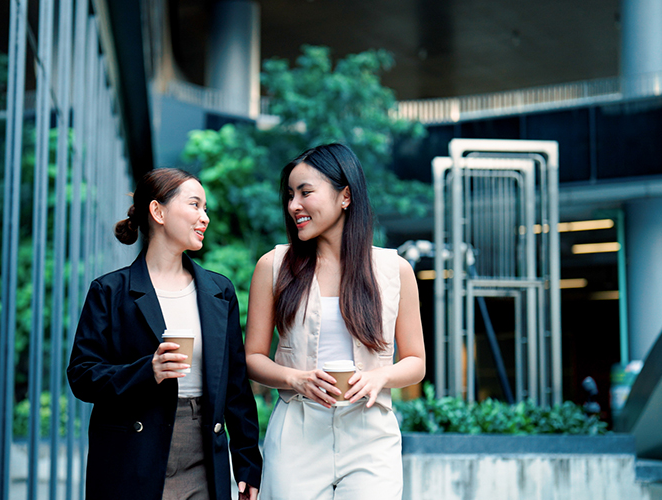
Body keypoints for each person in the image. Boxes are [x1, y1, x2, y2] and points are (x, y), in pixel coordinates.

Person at [68, 168, 262, 500]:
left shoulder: (219, 291)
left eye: (205, 208)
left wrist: (247, 464)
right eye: (195, 205)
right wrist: (149, 370)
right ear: (158, 211)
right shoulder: (110, 291)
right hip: (133, 455)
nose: (205, 217)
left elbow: (235, 387)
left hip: (203, 451)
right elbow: (82, 376)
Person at [244, 144, 425, 500]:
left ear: (345, 196)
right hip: (297, 432)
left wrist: (379, 377)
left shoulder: (395, 270)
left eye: (305, 192)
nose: (293, 205)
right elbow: (252, 358)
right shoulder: (273, 266)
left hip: (370, 433)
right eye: (290, 195)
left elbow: (416, 362)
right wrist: (295, 378)